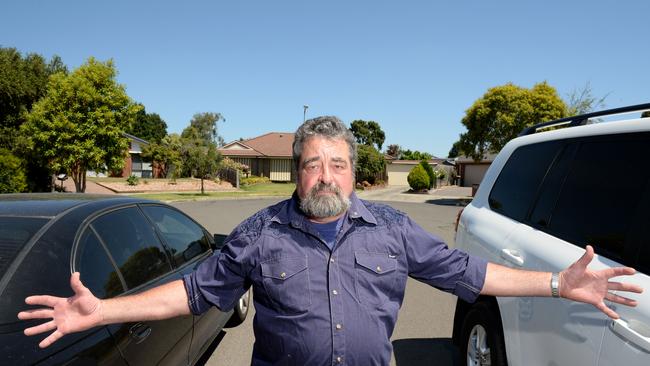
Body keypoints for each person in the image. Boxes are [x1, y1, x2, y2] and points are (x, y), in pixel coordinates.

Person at [19, 116, 643, 365]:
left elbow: (473, 276)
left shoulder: (394, 230)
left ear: (352, 170)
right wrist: (102, 310)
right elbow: (188, 293)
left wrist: (560, 282)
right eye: (313, 163)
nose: (325, 175)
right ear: (297, 169)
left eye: (337, 164)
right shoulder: (259, 235)